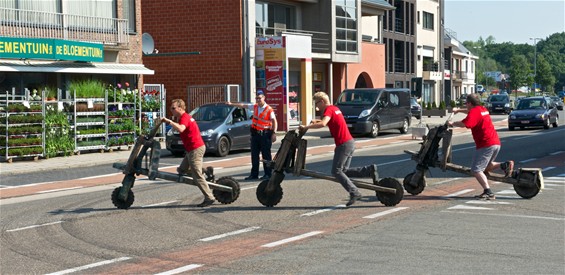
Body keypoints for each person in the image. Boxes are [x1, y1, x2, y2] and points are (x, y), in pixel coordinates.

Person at [299, 91, 378, 207]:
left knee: (336, 171)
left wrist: (307, 127)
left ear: (322, 101)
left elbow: (324, 123)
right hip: (350, 142)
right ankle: (369, 170)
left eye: (317, 104)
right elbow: (330, 121)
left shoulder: (328, 110)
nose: (317, 107)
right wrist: (315, 121)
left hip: (343, 144)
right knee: (343, 171)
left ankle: (354, 192)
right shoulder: (335, 108)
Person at [448, 93, 514, 200]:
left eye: (466, 104)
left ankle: (488, 192)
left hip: (486, 144)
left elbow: (466, 124)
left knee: (476, 170)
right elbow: (470, 112)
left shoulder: (474, 112)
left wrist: (451, 123)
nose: (466, 106)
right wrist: (458, 110)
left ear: (469, 103)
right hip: (495, 142)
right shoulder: (482, 109)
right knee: (486, 167)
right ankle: (504, 165)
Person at [161, 99, 215, 207]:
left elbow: (181, 129)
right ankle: (206, 171)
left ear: (180, 108)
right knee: (182, 170)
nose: (171, 110)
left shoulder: (184, 118)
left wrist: (169, 122)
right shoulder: (183, 117)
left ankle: (209, 197)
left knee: (196, 175)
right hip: (192, 149)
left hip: (196, 148)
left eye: (173, 108)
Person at [227, 90, 277, 180]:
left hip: (265, 135)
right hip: (255, 135)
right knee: (254, 155)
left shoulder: (269, 109)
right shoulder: (255, 107)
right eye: (257, 98)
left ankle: (268, 174)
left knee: (266, 155)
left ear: (264, 98)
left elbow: (274, 121)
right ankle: (254, 174)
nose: (258, 100)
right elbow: (243, 105)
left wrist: (274, 133)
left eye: (260, 98)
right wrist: (231, 104)